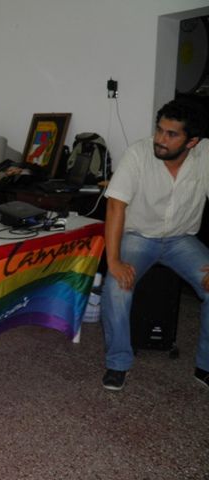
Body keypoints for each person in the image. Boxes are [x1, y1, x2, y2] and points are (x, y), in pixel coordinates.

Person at [101, 99, 209, 392]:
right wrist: (114, 261)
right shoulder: (138, 153)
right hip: (139, 237)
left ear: (192, 142)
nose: (160, 139)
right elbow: (115, 206)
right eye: (159, 130)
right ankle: (117, 363)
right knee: (116, 288)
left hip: (181, 239)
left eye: (171, 134)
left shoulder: (206, 155)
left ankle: (206, 365)